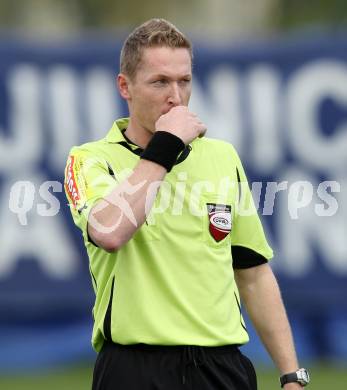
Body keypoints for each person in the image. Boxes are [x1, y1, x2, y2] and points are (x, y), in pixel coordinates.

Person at [64, 18, 309, 390]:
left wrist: (292, 376)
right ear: (124, 86)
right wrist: (166, 145)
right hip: (134, 369)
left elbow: (254, 273)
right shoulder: (90, 160)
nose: (175, 96)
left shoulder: (222, 157)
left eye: (184, 81)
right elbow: (109, 231)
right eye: (160, 82)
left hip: (221, 368)